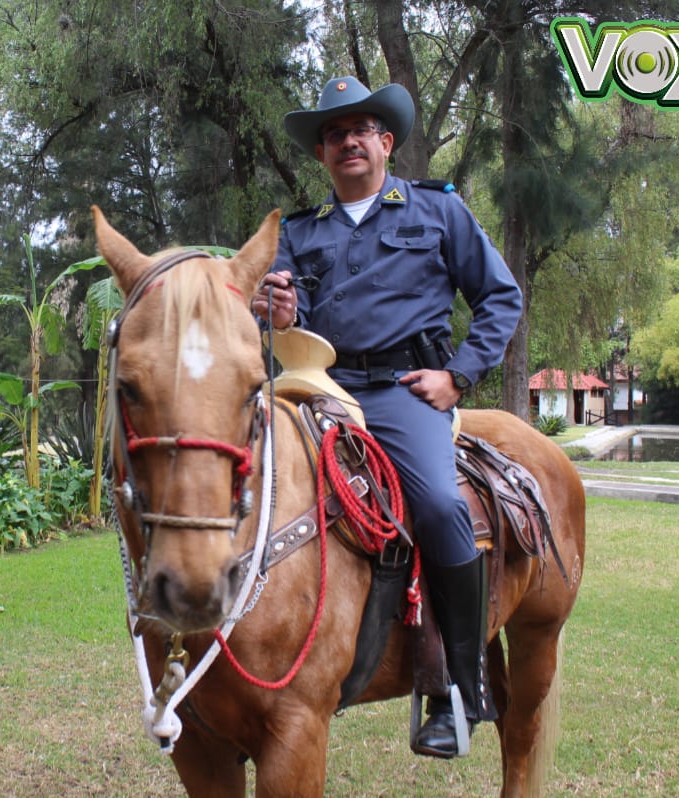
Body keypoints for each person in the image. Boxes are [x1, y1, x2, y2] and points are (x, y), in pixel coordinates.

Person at [251, 76, 523, 758]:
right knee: (257, 484)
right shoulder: (298, 232)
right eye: (333, 134)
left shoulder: (437, 211)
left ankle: (462, 691)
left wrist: (458, 375)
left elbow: (500, 297)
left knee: (437, 505)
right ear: (322, 153)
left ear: (386, 142)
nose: (347, 141)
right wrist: (277, 310)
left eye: (360, 130)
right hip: (317, 385)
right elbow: (283, 311)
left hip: (404, 392)